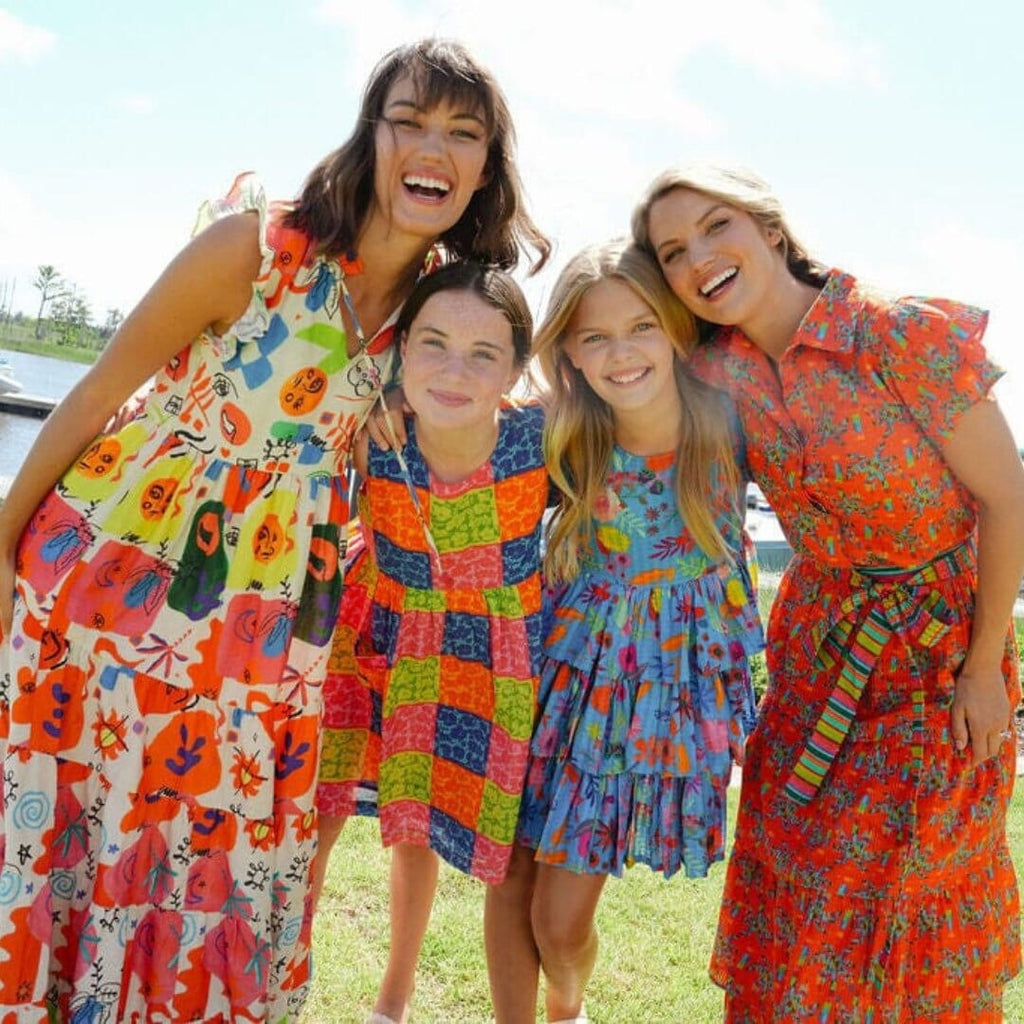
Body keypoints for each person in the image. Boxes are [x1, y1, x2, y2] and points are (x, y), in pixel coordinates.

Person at [0, 38, 548, 1023]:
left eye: (462, 132)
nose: (433, 146)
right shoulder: (253, 248)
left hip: (276, 616)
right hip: (121, 572)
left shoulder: (437, 304)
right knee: (89, 824)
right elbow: (99, 388)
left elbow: (501, 403)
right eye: (410, 120)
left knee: (225, 835)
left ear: (486, 166)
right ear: (370, 134)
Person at [632, 162, 1024, 1021]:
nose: (698, 258)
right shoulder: (715, 370)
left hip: (938, 663)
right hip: (815, 661)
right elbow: (612, 390)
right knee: (796, 875)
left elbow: (1007, 496)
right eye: (672, 252)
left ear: (769, 229)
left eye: (715, 227)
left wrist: (985, 663)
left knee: (898, 888)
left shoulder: (896, 334)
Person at [510, 240, 763, 1023]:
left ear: (677, 329)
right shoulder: (563, 433)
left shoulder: (730, 420)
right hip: (572, 685)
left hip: (666, 700)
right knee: (542, 913)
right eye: (593, 336)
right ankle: (566, 1005)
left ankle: (566, 1005)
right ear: (571, 355)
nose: (621, 353)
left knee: (559, 920)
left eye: (642, 325)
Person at [313, 261, 548, 1024]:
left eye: (486, 353)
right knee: (320, 813)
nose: (455, 369)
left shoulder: (545, 443)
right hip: (374, 626)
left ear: (518, 366)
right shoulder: (371, 431)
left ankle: (397, 995)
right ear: (402, 348)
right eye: (433, 344)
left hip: (482, 655)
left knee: (431, 832)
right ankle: (292, 975)